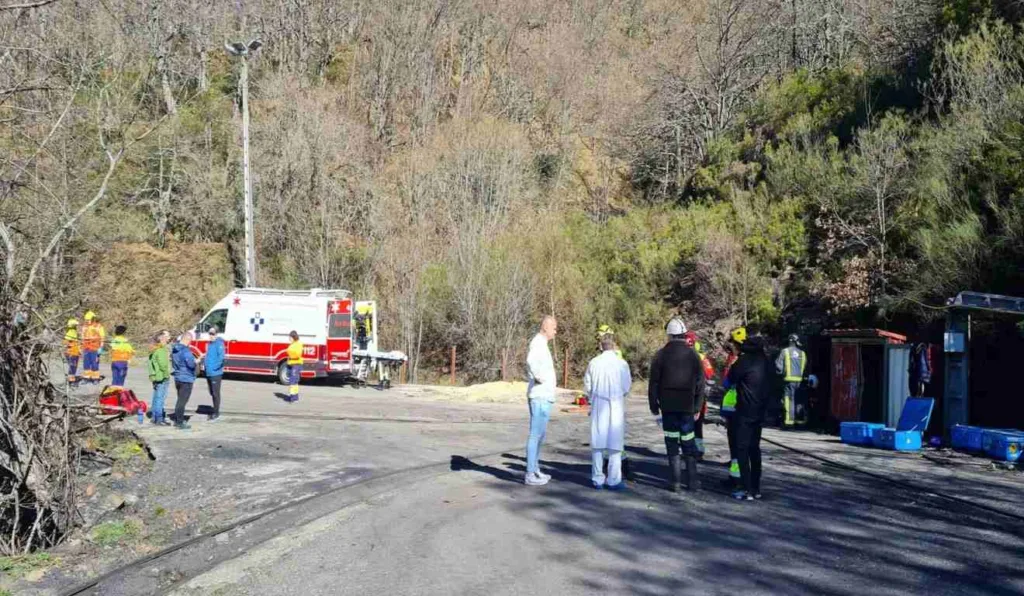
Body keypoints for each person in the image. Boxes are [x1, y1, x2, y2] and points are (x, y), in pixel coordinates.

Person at [649, 318, 706, 492]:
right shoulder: (694, 356)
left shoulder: (660, 356)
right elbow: (700, 384)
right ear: (683, 334)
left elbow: (654, 383)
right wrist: (697, 406)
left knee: (672, 442)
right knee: (688, 443)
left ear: (669, 335)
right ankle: (692, 482)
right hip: (687, 408)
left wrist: (653, 404)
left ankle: (675, 483)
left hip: (668, 408)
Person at [585, 336, 632, 490]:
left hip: (599, 403)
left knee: (598, 442)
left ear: (600, 346)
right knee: (615, 444)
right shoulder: (621, 364)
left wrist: (592, 396)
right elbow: (627, 386)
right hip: (616, 403)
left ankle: (597, 478)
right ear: (614, 346)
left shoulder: (594, 362)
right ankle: (613, 479)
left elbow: (588, 385)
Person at [728, 334, 771, 501]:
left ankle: (745, 489)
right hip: (761, 411)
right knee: (755, 449)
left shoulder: (744, 361)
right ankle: (756, 488)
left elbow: (729, 380)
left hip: (744, 411)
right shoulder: (767, 362)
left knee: (742, 449)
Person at [524, 315, 558, 486]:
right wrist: (540, 378)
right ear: (545, 327)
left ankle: (535, 468)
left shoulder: (542, 344)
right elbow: (531, 362)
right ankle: (530, 473)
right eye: (554, 328)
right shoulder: (537, 343)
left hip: (544, 396)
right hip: (539, 396)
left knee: (540, 436)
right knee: (535, 435)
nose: (555, 331)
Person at [720, 327, 746, 489]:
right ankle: (737, 474)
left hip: (736, 407)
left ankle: (737, 477)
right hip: (746, 407)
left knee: (736, 442)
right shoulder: (752, 361)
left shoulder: (738, 361)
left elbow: (726, 382)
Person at [684, 331, 716, 459]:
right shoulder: (702, 358)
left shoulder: (683, 357)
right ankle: (697, 450)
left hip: (692, 397)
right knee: (696, 426)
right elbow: (710, 375)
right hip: (698, 398)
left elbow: (710, 376)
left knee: (690, 426)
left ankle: (693, 450)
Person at [776, 334, 808, 428]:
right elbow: (806, 367)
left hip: (788, 380)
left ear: (790, 341)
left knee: (788, 400)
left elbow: (778, 366)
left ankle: (789, 422)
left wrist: (780, 374)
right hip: (800, 381)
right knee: (799, 400)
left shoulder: (784, 351)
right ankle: (800, 422)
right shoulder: (803, 353)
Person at [171, 332, 198, 430]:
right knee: (182, 401)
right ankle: (179, 422)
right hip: (186, 378)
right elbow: (190, 364)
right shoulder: (186, 351)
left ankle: (178, 418)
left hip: (177, 377)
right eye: (190, 341)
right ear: (187, 339)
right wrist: (196, 362)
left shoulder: (174, 349)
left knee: (180, 399)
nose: (190, 343)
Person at [148, 330, 172, 426]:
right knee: (160, 398)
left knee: (156, 397)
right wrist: (167, 375)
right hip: (162, 376)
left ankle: (154, 417)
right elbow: (163, 365)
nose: (169, 337)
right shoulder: (161, 349)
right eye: (167, 335)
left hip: (156, 376)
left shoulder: (154, 348)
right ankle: (159, 418)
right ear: (162, 337)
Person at [205, 325, 226, 420]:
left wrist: (214, 368)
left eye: (212, 334)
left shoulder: (219, 344)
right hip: (208, 372)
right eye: (209, 333)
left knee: (215, 393)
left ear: (216, 334)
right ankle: (215, 409)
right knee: (211, 392)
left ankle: (216, 412)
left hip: (216, 373)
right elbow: (208, 356)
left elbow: (221, 359)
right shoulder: (209, 344)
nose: (211, 335)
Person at [80, 311, 105, 383]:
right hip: (86, 347)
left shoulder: (98, 326)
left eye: (88, 320)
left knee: (94, 363)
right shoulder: (84, 327)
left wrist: (101, 347)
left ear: (93, 319)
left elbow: (102, 337)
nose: (87, 321)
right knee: (86, 363)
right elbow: (82, 337)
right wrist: (81, 346)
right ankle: (86, 377)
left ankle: (95, 378)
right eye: (86, 320)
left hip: (95, 347)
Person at [286, 330, 303, 403]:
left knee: (293, 381)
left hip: (296, 364)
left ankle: (292, 398)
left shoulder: (298, 344)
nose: (289, 338)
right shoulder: (292, 344)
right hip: (291, 364)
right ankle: (295, 398)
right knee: (294, 382)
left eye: (290, 337)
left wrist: (290, 353)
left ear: (293, 337)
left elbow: (298, 354)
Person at [63, 318, 81, 384]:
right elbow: (66, 342)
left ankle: (71, 378)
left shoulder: (72, 332)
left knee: (73, 366)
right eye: (76, 326)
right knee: (73, 366)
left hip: (73, 352)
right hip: (72, 353)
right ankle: (71, 380)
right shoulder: (71, 332)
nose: (77, 327)